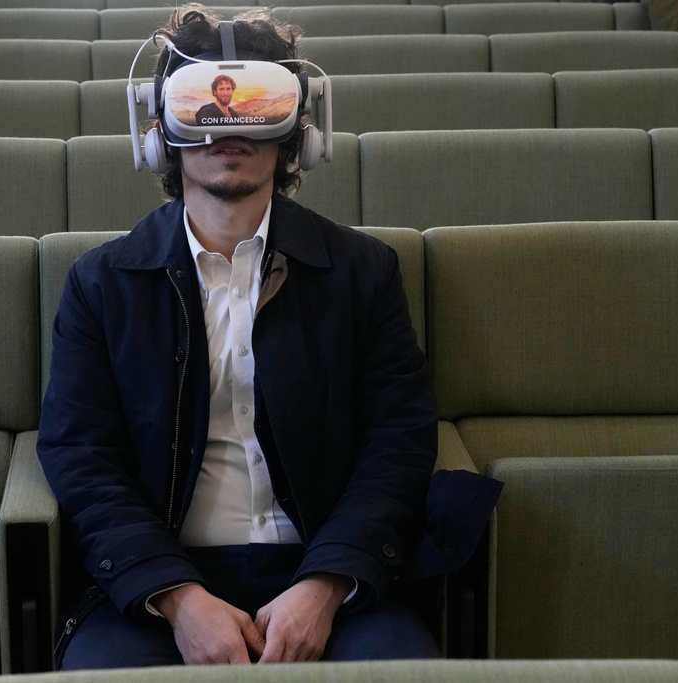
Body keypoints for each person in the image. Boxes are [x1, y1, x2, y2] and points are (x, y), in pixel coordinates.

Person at [38, 3, 498, 670]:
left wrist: (325, 583)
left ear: (299, 130)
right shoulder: (101, 284)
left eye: (261, 103)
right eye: (206, 104)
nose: (234, 126)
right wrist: (177, 596)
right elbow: (82, 455)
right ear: (160, 127)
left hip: (332, 573)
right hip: (156, 580)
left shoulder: (363, 274)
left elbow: (397, 443)